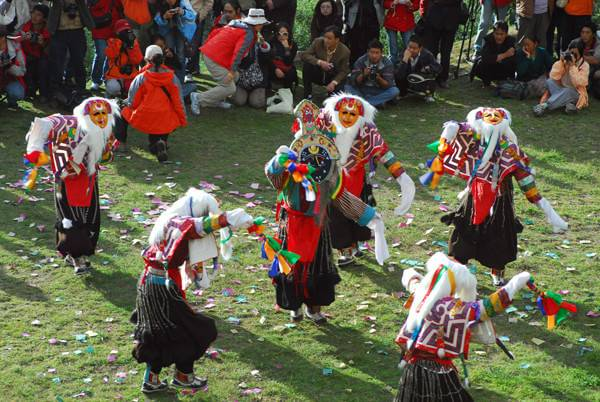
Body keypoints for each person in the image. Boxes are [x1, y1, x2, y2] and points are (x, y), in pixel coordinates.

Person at [265, 100, 389, 323]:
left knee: (317, 269)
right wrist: (279, 161)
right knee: (291, 267)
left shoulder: (330, 170)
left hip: (317, 226)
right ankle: (295, 307)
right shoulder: (289, 164)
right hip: (291, 225)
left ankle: (314, 309)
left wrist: (370, 216)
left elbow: (340, 196)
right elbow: (275, 179)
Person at [131, 188, 256, 393]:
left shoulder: (168, 220)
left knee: (160, 332)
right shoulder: (180, 222)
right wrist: (229, 218)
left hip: (150, 284)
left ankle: (152, 379)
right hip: (162, 287)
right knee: (196, 330)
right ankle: (183, 377)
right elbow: (200, 226)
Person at [427, 107, 568, 286]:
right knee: (464, 233)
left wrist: (541, 202)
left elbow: (523, 176)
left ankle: (497, 271)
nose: (492, 120)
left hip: (501, 199)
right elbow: (459, 131)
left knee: (499, 236)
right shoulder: (474, 141)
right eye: (488, 117)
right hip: (474, 195)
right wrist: (451, 128)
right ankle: (458, 268)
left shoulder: (510, 149)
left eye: (496, 118)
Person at [394, 252, 532, 402]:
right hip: (437, 369)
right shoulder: (451, 307)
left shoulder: (421, 295)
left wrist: (411, 276)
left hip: (414, 368)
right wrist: (516, 283)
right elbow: (487, 308)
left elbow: (412, 283)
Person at [312, 93, 415, 266]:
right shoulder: (325, 121)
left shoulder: (367, 128)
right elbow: (308, 139)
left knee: (356, 210)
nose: (347, 117)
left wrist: (401, 176)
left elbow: (381, 151)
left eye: (353, 114)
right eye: (344, 113)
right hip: (330, 176)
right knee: (335, 214)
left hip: (354, 177)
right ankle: (345, 249)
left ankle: (355, 243)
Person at [23, 97, 119, 273]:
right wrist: (35, 149)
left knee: (90, 220)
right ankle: (77, 258)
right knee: (72, 220)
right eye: (96, 113)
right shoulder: (67, 122)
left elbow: (106, 157)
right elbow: (42, 125)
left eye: (104, 113)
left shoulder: (104, 131)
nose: (100, 117)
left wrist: (106, 150)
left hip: (89, 180)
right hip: (67, 180)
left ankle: (73, 253)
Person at [190, 8, 267, 113]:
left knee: (235, 77)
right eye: (262, 23)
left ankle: (215, 99)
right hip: (214, 58)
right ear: (257, 23)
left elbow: (216, 32)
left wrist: (207, 47)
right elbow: (239, 53)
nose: (262, 26)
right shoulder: (248, 33)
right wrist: (231, 70)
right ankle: (198, 98)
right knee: (230, 88)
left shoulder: (238, 23)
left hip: (212, 54)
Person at [121, 45, 187, 162]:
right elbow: (179, 102)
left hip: (147, 115)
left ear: (147, 59)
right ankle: (162, 142)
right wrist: (182, 119)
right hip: (166, 116)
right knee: (163, 127)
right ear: (162, 58)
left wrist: (125, 106)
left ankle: (124, 141)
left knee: (123, 111)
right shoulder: (172, 77)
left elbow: (133, 101)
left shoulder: (141, 78)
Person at [47, 0, 95, 96]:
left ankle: (80, 88)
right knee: (57, 61)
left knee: (79, 60)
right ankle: (56, 90)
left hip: (77, 30)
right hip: (59, 31)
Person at [534, 38, 589, 115]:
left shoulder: (585, 65)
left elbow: (579, 83)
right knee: (550, 81)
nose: (572, 56)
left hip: (575, 93)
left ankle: (545, 105)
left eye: (575, 54)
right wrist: (561, 62)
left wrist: (572, 66)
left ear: (581, 53)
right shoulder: (565, 61)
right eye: (571, 53)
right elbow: (553, 76)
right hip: (561, 89)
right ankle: (567, 105)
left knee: (568, 91)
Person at [345, 39, 400, 108]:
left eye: (377, 53)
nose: (374, 56)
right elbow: (355, 81)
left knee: (394, 91)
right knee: (347, 87)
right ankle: (376, 103)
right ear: (368, 52)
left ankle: (363, 103)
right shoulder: (361, 61)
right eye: (372, 52)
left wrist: (378, 78)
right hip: (363, 88)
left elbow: (388, 85)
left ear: (381, 53)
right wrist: (364, 75)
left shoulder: (387, 63)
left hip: (378, 90)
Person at [419, 0, 462, 88]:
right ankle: (430, 77)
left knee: (446, 52)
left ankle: (443, 78)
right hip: (433, 18)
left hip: (451, 19)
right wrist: (423, 12)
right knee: (431, 51)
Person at [301, 25, 349, 99]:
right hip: (318, 73)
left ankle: (333, 98)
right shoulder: (318, 42)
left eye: (329, 38)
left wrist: (334, 82)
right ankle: (307, 95)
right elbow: (305, 55)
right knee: (307, 65)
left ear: (337, 39)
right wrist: (319, 62)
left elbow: (344, 71)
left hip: (332, 76)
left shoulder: (345, 51)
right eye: (325, 37)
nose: (325, 40)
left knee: (342, 80)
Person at [154, 0, 197, 82]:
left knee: (181, 54)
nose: (170, 1)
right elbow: (157, 21)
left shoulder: (183, 2)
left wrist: (183, 12)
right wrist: (164, 17)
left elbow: (193, 16)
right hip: (167, 30)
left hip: (182, 30)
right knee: (169, 53)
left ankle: (180, 81)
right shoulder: (160, 3)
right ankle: (169, 80)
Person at [394, 34, 441, 102]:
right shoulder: (403, 53)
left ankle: (428, 94)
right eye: (409, 47)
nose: (411, 50)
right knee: (399, 76)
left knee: (431, 78)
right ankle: (402, 94)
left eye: (414, 48)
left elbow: (438, 67)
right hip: (406, 81)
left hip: (420, 80)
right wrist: (405, 60)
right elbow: (398, 75)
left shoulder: (427, 54)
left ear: (420, 48)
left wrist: (428, 68)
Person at [104, 19, 143, 97]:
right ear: (117, 33)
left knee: (137, 87)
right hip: (115, 76)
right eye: (123, 31)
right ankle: (110, 94)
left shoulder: (132, 42)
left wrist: (131, 46)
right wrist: (120, 43)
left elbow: (137, 60)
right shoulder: (112, 41)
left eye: (127, 31)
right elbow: (111, 55)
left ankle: (125, 94)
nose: (125, 33)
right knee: (113, 88)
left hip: (130, 75)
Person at [470, 21, 517, 86]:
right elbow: (486, 58)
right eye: (497, 34)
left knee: (512, 61)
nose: (499, 37)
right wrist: (505, 55)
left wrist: (497, 58)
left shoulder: (511, 41)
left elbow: (513, 57)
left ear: (506, 34)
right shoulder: (487, 39)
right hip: (489, 69)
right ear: (493, 33)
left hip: (502, 69)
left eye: (501, 34)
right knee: (482, 63)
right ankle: (486, 81)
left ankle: (507, 81)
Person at [89, 0, 122, 91]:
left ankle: (106, 77)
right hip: (100, 27)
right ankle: (96, 80)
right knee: (101, 55)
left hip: (113, 28)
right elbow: (92, 7)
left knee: (111, 55)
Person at [20, 3, 50, 101]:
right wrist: (23, 38)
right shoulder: (26, 26)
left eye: (38, 15)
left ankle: (44, 93)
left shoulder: (47, 29)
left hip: (41, 57)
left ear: (44, 18)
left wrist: (42, 43)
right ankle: (29, 91)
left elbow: (48, 50)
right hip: (27, 56)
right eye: (33, 13)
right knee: (28, 64)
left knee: (43, 65)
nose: (34, 16)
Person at [232, 37, 271, 108]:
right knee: (238, 102)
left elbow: (267, 60)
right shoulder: (241, 43)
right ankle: (245, 94)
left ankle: (254, 94)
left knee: (256, 103)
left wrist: (263, 46)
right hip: (242, 81)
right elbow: (238, 62)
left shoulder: (262, 43)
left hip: (258, 82)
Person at [383, 0, 418, 66]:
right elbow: (385, 3)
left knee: (409, 46)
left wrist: (410, 5)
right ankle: (391, 67)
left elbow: (417, 5)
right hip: (392, 20)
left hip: (407, 21)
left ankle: (408, 66)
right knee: (393, 48)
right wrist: (392, 3)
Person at [186, 0, 214, 79]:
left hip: (196, 18)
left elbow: (209, 2)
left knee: (194, 45)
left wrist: (200, 15)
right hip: (183, 17)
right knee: (190, 44)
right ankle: (193, 69)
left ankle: (190, 70)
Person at [0, 25, 26, 108]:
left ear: (3, 37)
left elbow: (22, 71)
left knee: (17, 93)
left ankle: (12, 101)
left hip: (9, 79)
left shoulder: (16, 47)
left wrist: (9, 66)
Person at [269, 21, 297, 89]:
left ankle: (287, 90)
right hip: (273, 66)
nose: (282, 36)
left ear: (289, 34)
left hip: (285, 67)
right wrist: (275, 69)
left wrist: (286, 48)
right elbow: (268, 59)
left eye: (285, 34)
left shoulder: (293, 45)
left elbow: (288, 62)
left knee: (291, 73)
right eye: (279, 34)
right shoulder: (271, 42)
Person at [580, 22, 600, 99]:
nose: (584, 35)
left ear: (593, 34)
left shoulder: (598, 44)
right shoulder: (576, 42)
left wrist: (578, 56)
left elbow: (596, 60)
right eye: (582, 32)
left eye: (587, 32)